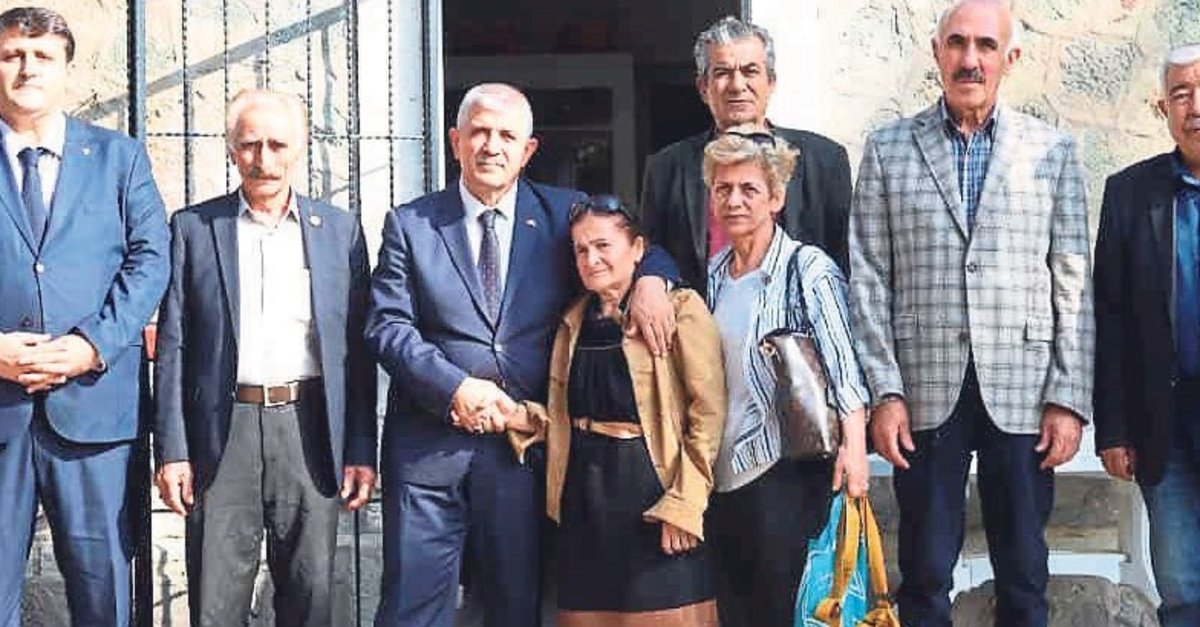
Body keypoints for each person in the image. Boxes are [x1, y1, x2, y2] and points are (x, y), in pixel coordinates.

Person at [366, 83, 678, 627]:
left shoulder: (561, 214)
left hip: (524, 452)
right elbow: (387, 325)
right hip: (428, 452)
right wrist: (454, 388)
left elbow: (632, 246)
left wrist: (652, 278)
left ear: (529, 150)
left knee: (516, 609)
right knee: (412, 611)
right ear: (455, 141)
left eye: (507, 136)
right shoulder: (411, 224)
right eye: (479, 132)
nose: (492, 146)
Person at [848, 1, 1094, 626]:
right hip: (923, 388)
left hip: (1024, 385)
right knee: (925, 570)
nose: (970, 59)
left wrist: (1068, 396)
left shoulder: (1051, 151)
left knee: (1024, 570)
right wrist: (885, 392)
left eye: (986, 45)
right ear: (937, 53)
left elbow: (1072, 279)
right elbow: (869, 278)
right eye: (957, 43)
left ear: (1010, 58)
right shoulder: (888, 150)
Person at [152, 89, 377, 626]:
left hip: (309, 428)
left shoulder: (339, 232)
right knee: (216, 599)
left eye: (278, 145)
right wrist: (173, 450)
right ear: (231, 149)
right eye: (250, 144)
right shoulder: (194, 229)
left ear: (299, 148)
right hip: (222, 430)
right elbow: (174, 345)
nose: (264, 159)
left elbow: (357, 354)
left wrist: (360, 448)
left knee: (309, 595)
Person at [0, 6, 170, 625]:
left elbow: (152, 259)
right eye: (12, 55)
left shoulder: (119, 158)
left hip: (95, 414)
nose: (27, 68)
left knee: (104, 598)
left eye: (43, 56)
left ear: (66, 70)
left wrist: (91, 345)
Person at [504, 195, 725, 627]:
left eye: (603, 246)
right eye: (581, 250)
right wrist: (519, 417)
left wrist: (685, 503)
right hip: (584, 507)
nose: (591, 259)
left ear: (638, 249)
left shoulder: (680, 309)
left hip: (654, 500)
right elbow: (568, 418)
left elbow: (709, 414)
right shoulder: (572, 321)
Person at [699, 128, 868, 627]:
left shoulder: (807, 269)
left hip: (786, 471)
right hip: (723, 474)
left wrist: (855, 451)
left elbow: (844, 368)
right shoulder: (714, 274)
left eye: (748, 189)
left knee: (786, 611)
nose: (734, 200)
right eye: (723, 189)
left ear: (776, 198)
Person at [1094, 43, 1200, 627]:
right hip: (1166, 421)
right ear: (1163, 109)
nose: (1195, 105)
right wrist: (1112, 428)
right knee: (1182, 585)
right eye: (1180, 94)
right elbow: (1108, 316)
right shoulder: (1131, 194)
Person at [639, 15, 852, 294]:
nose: (737, 85)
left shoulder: (824, 161)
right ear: (703, 88)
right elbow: (651, 251)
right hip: (704, 319)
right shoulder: (667, 168)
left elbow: (847, 261)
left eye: (750, 71)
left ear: (771, 82)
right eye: (722, 72)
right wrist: (651, 277)